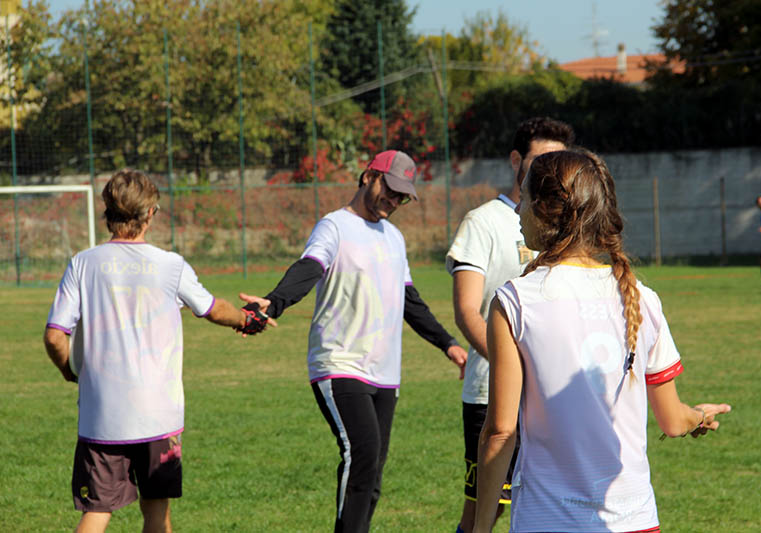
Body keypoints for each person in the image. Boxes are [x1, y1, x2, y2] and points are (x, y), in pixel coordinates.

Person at [474, 150, 731, 533]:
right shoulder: (643, 298)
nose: (517, 209)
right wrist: (698, 415)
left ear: (545, 209)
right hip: (636, 522)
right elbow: (673, 421)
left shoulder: (515, 301)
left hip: (547, 522)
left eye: (523, 198)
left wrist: (480, 527)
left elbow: (500, 431)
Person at [239, 149, 468, 533]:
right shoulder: (334, 227)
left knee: (373, 471)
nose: (393, 201)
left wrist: (448, 343)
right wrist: (274, 303)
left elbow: (409, 300)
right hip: (339, 362)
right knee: (361, 452)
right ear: (368, 176)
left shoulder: (394, 237)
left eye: (401, 197)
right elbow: (309, 268)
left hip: (385, 372)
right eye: (389, 190)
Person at [44, 169, 273, 533]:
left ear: (107, 212)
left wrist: (70, 370)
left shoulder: (82, 264)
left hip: (102, 416)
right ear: (150, 213)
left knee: (97, 513)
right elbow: (213, 309)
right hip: (158, 417)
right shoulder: (170, 265)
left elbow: (55, 336)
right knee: (156, 511)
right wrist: (247, 320)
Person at [446, 117, 575, 533]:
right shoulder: (483, 222)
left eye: (559, 161)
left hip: (553, 396)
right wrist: (515, 369)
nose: (550, 170)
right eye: (541, 160)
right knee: (485, 512)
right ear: (516, 160)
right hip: (492, 395)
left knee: (552, 503)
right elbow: (468, 311)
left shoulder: (567, 225)